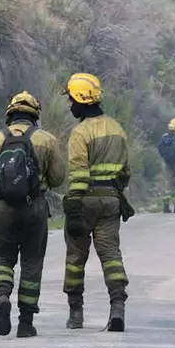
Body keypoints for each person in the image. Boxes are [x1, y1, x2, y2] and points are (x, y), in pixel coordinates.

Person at [0, 91, 66, 338]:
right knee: (31, 262)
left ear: (10, 114)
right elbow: (58, 178)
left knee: (1, 259)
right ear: (34, 115)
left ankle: (3, 294)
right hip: (35, 208)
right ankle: (26, 323)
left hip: (5, 209)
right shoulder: (47, 140)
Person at [61, 73, 133, 332]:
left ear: (81, 100)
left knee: (75, 258)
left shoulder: (80, 132)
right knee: (111, 255)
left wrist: (73, 206)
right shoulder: (117, 129)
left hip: (85, 202)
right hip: (112, 201)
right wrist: (115, 192)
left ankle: (76, 314)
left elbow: (79, 173)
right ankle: (117, 308)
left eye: (71, 99)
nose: (70, 105)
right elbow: (125, 171)